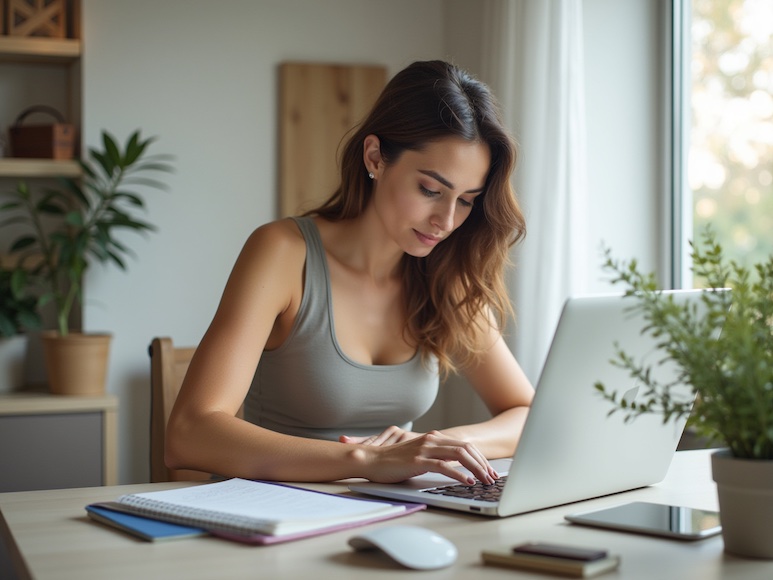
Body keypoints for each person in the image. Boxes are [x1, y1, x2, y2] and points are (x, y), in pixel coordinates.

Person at [166, 60, 534, 486]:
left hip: (386, 518)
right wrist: (367, 461)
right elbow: (188, 434)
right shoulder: (283, 253)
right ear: (375, 157)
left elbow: (526, 414)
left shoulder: (446, 276)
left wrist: (437, 445)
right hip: (270, 522)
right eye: (430, 190)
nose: (447, 220)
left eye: (467, 200)